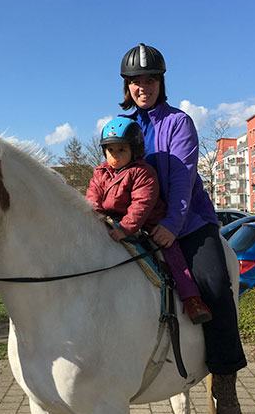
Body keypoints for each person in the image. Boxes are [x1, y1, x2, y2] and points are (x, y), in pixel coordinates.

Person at [118, 43, 247, 414]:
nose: (144, 87)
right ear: (127, 87)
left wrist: (172, 227)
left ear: (161, 83)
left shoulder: (179, 123)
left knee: (212, 282)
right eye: (136, 81)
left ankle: (224, 375)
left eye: (151, 80)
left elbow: (183, 181)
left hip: (188, 224)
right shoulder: (122, 127)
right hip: (139, 223)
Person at [86, 116, 212, 325]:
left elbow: (141, 205)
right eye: (110, 150)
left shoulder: (143, 173)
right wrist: (94, 216)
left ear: (134, 151)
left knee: (171, 253)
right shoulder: (100, 172)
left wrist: (126, 228)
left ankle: (192, 299)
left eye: (121, 150)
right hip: (113, 221)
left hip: (147, 223)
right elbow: (93, 195)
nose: (114, 156)